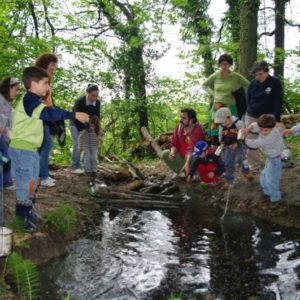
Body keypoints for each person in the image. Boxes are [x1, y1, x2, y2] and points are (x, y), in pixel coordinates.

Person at [8, 66, 89, 231]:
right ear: (33, 84)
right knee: (26, 183)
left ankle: (29, 211)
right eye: (45, 83)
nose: (48, 87)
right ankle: (21, 218)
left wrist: (50, 97)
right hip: (22, 150)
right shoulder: (29, 100)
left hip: (31, 150)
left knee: (34, 182)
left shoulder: (34, 101)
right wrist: (74, 115)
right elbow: (49, 114)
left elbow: (49, 111)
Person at [245, 60, 283, 173]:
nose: (258, 77)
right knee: (251, 140)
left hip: (268, 116)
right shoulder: (252, 84)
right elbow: (249, 99)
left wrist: (276, 118)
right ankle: (254, 166)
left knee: (272, 139)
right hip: (252, 114)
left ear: (266, 71)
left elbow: (278, 101)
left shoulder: (275, 82)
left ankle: (275, 160)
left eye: (260, 74)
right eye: (256, 75)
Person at [203, 53, 249, 146]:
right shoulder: (216, 75)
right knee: (216, 130)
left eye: (226, 64)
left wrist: (237, 89)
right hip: (217, 106)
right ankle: (217, 153)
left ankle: (235, 150)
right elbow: (204, 85)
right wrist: (213, 94)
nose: (224, 66)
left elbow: (248, 84)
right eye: (222, 64)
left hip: (230, 106)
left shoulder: (235, 76)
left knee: (232, 129)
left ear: (230, 65)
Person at [243, 114, 285, 203]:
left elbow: (256, 143)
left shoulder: (271, 136)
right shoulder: (265, 127)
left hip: (276, 159)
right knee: (263, 176)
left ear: (272, 127)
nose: (262, 131)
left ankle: (275, 198)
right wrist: (248, 128)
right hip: (270, 158)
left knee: (271, 179)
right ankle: (267, 192)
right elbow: (255, 125)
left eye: (265, 130)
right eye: (261, 129)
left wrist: (244, 139)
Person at [214, 107, 253, 189]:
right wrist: (222, 144)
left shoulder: (239, 123)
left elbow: (244, 135)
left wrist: (237, 143)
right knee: (228, 163)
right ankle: (229, 180)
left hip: (240, 145)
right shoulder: (222, 125)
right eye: (221, 123)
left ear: (229, 117)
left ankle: (246, 172)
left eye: (224, 122)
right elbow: (221, 136)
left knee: (242, 158)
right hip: (228, 146)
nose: (223, 124)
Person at [35, 53, 58, 187]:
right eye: (52, 64)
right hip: (41, 115)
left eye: (55, 65)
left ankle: (42, 173)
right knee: (47, 145)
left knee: (43, 146)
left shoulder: (46, 78)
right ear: (45, 64)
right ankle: (42, 177)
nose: (54, 67)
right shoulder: (40, 78)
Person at [162, 108, 205, 177]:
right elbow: (174, 142)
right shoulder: (179, 127)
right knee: (165, 154)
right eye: (181, 117)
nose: (181, 120)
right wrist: (172, 152)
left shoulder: (197, 128)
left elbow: (192, 147)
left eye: (184, 118)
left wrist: (187, 162)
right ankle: (181, 172)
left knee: (196, 155)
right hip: (182, 155)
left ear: (191, 120)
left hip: (192, 156)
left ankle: (195, 173)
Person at [70, 84, 101, 174]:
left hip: (88, 125)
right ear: (88, 93)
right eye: (93, 95)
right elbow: (77, 117)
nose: (95, 98)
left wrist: (95, 128)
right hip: (75, 124)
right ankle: (75, 166)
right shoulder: (80, 101)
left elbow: (97, 117)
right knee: (77, 144)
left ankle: (86, 167)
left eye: (96, 95)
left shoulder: (97, 103)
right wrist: (83, 130)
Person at [0, 77, 20, 188]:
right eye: (16, 89)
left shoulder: (7, 103)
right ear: (9, 88)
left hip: (3, 135)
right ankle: (6, 183)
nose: (17, 93)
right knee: (6, 157)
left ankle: (7, 182)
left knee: (7, 157)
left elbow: (8, 121)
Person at [78, 116, 104, 186]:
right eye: (91, 125)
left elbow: (102, 140)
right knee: (88, 158)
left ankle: (94, 171)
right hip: (86, 146)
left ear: (97, 125)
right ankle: (88, 171)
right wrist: (80, 147)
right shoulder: (86, 130)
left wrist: (99, 137)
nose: (92, 127)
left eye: (94, 126)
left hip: (94, 147)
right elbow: (80, 137)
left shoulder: (100, 131)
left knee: (94, 158)